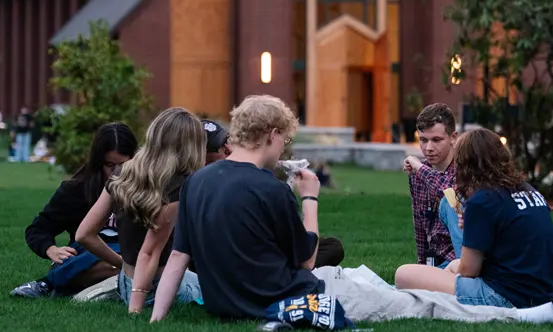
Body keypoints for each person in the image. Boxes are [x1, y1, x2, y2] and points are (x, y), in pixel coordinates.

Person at [149, 94, 553, 326]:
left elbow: (176, 261)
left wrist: (149, 317)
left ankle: (528, 309)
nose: (286, 146)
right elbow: (306, 259)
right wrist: (309, 197)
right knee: (419, 303)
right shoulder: (269, 190)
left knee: (372, 277)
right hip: (300, 296)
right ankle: (537, 315)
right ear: (269, 134)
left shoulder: (197, 183)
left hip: (242, 303)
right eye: (285, 138)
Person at [395, 128, 553, 309]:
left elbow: (469, 271)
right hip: (542, 293)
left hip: (504, 296)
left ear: (466, 163)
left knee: (404, 274)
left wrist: (455, 268)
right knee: (451, 265)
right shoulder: (529, 190)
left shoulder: (483, 199)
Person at [76, 107, 205, 313]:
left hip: (126, 281)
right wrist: (135, 309)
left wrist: (122, 263)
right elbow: (149, 252)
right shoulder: (179, 188)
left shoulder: (123, 173)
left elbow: (84, 234)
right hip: (154, 289)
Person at [10, 123, 138, 298]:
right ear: (98, 162)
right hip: (88, 255)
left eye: (123, 165)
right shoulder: (76, 189)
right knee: (87, 257)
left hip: (127, 252)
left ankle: (52, 283)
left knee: (136, 258)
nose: (117, 173)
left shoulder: (145, 190)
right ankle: (114, 283)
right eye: (110, 165)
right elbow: (38, 228)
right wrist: (50, 249)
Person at [201, 118, 344, 267]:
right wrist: (309, 198)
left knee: (332, 246)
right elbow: (306, 261)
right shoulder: (204, 184)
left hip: (248, 254)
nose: (228, 148)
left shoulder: (206, 180)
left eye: (227, 140)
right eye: (218, 147)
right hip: (241, 262)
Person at [404, 103, 462, 268]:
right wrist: (422, 266)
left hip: (461, 261)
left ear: (453, 138)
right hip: (435, 260)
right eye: (423, 140)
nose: (428, 148)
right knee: (405, 279)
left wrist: (419, 168)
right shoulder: (418, 173)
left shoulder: (465, 168)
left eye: (436, 140)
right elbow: (420, 226)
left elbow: (447, 190)